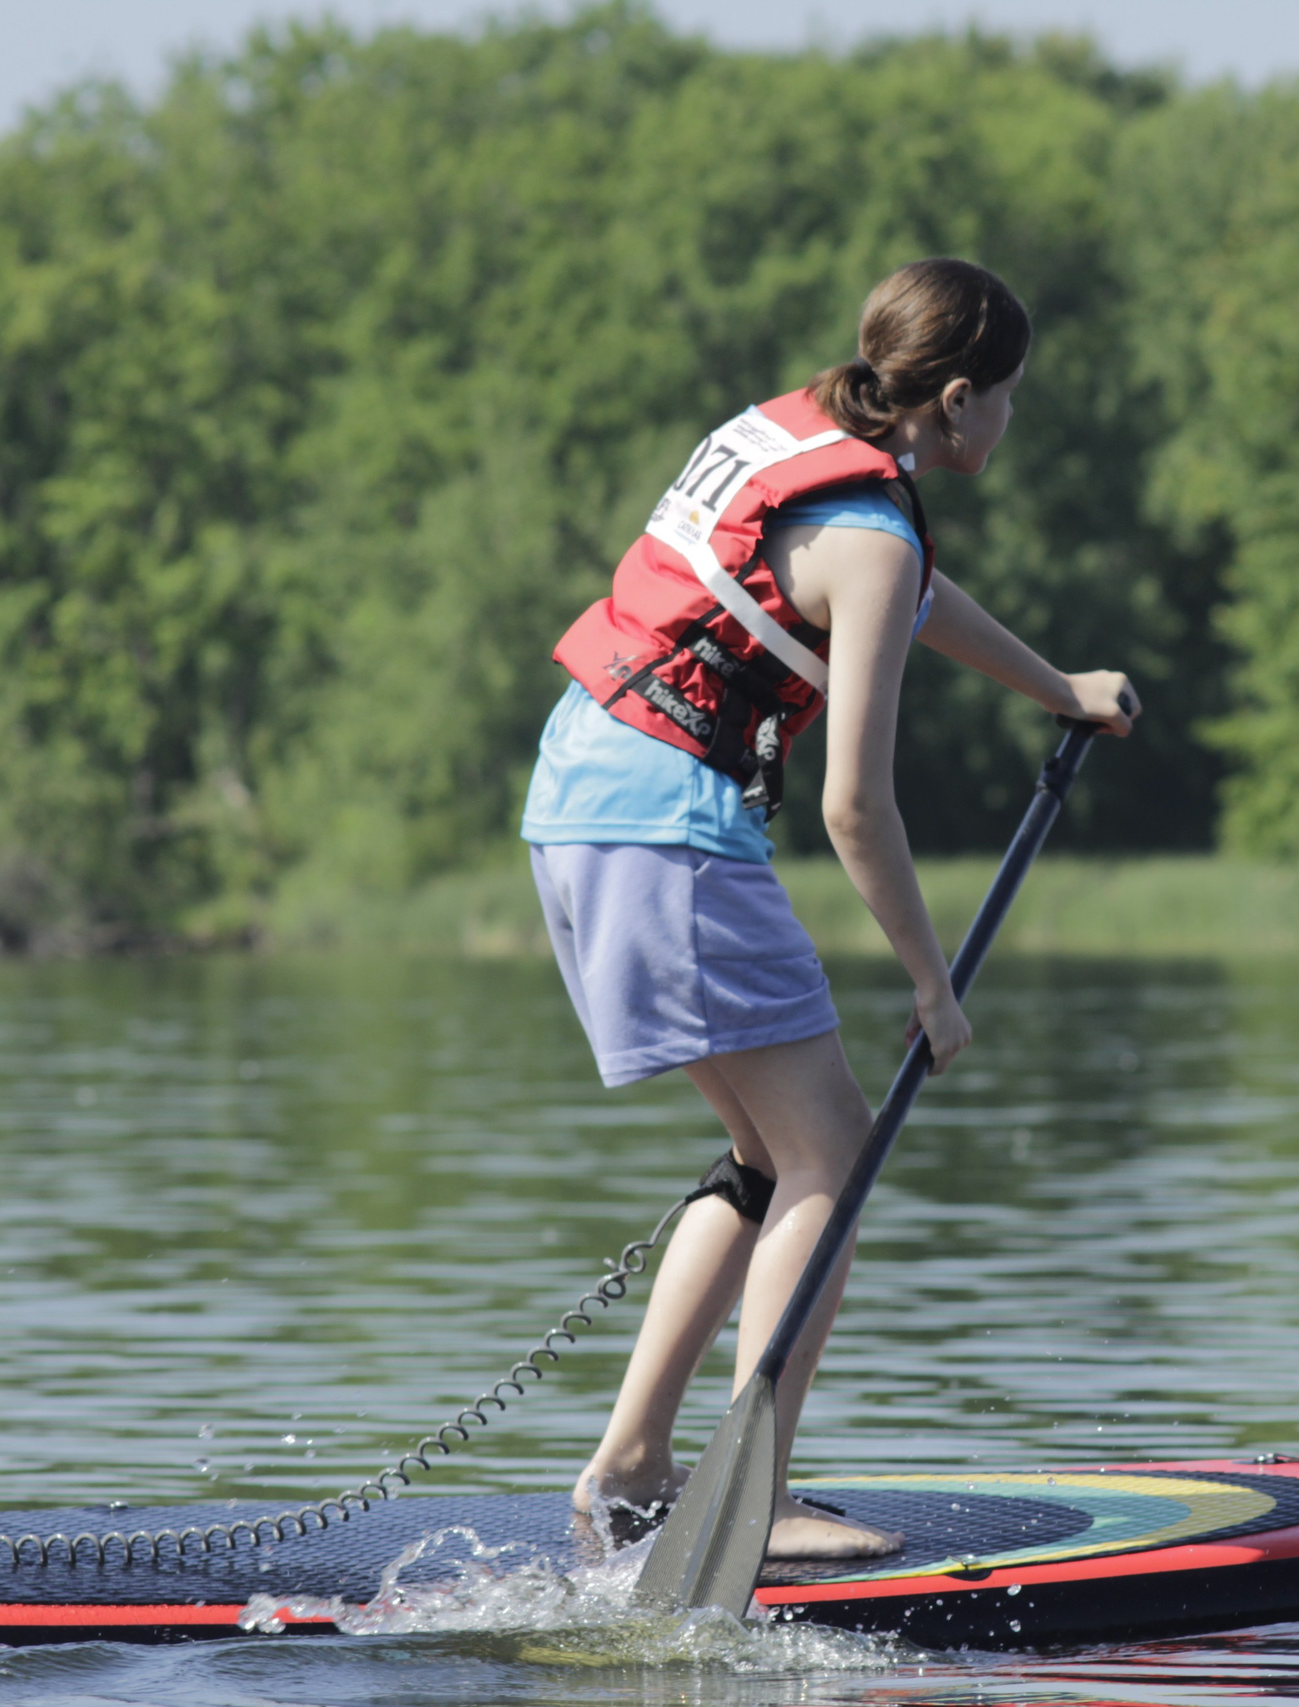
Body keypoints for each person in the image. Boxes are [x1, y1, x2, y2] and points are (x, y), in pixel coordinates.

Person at [522, 257, 1140, 1560]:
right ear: (958, 400)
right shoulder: (874, 527)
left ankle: (632, 1473)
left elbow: (908, 595)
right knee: (837, 1157)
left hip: (581, 798)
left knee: (771, 1157)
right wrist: (932, 983)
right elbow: (857, 806)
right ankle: (752, 1497)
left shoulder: (803, 432)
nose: (1011, 424)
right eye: (1009, 400)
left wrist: (1057, 688)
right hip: (665, 835)